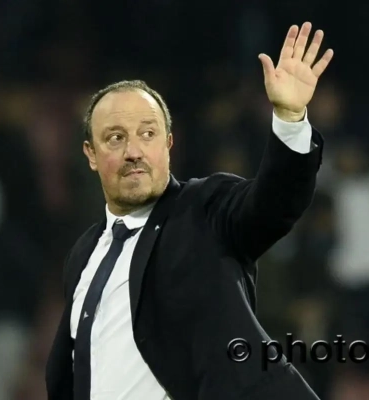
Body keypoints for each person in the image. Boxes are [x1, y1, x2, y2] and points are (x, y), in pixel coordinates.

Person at [46, 22, 334, 400]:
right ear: (91, 155)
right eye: (116, 138)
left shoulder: (204, 209)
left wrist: (290, 119)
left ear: (168, 144)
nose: (134, 151)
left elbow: (273, 204)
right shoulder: (83, 254)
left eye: (147, 134)